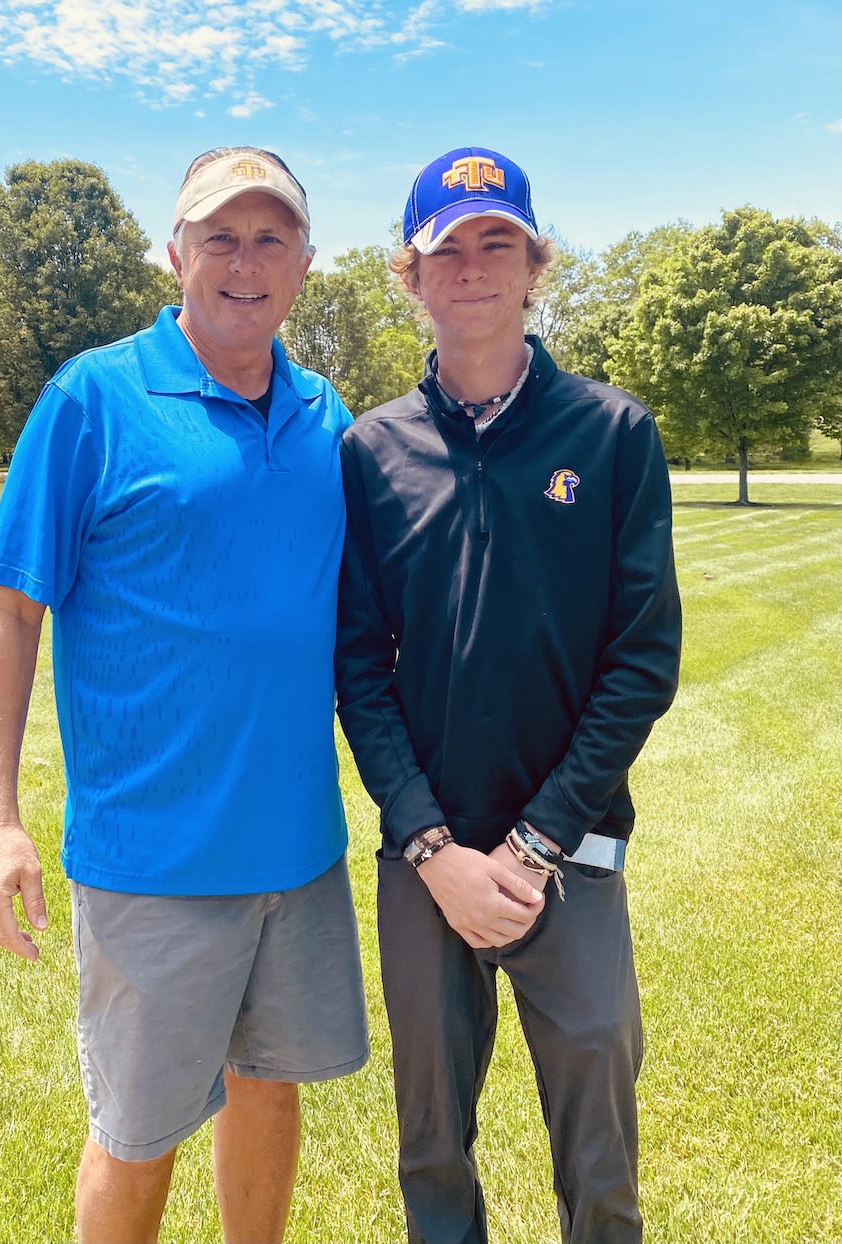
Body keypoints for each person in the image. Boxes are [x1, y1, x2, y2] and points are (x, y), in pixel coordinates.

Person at [0, 146, 368, 1244]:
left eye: (270, 236)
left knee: (269, 1087)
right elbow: (7, 609)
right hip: (152, 861)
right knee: (138, 1135)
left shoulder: (326, 413)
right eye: (220, 236)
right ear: (176, 251)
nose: (245, 260)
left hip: (298, 846)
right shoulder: (92, 397)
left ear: (303, 262)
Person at [335, 146, 682, 1244]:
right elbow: (356, 662)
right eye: (448, 247)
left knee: (599, 1148)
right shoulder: (370, 448)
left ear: (535, 265)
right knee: (431, 1146)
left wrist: (531, 845)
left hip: (567, 857)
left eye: (499, 242)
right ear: (411, 275)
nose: (473, 267)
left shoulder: (611, 432)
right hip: (423, 855)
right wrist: (432, 846)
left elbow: (641, 658)